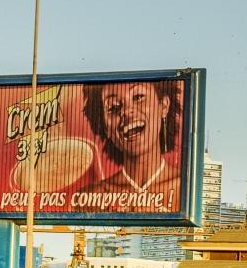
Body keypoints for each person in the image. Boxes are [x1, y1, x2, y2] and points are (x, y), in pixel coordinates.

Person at [76, 81, 181, 211]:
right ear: (105, 127)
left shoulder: (188, 189)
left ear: (163, 106)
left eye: (138, 97)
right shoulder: (88, 200)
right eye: (113, 107)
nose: (126, 111)